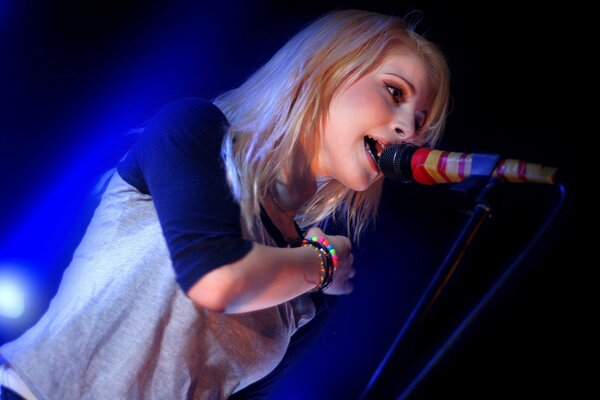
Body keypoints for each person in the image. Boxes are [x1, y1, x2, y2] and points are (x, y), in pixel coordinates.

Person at [0, 8, 450, 399]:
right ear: (326, 69)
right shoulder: (196, 133)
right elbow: (216, 277)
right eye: (394, 92)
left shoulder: (313, 279)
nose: (408, 130)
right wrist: (322, 265)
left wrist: (317, 267)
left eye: (421, 122)